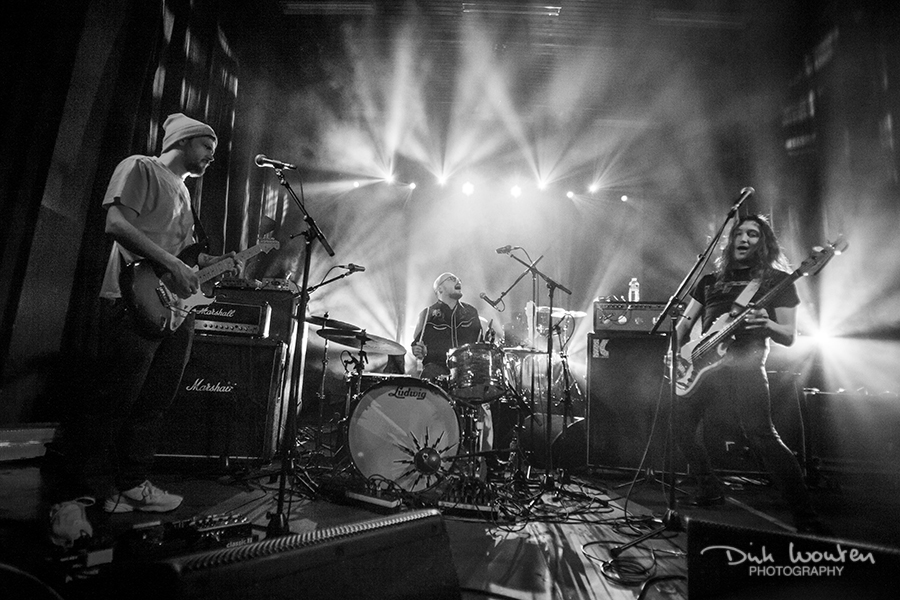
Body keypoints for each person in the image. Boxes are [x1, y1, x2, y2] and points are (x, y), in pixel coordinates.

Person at [45, 113, 241, 548]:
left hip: (173, 309)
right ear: (183, 141)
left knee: (154, 401)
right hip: (131, 298)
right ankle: (72, 498)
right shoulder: (140, 167)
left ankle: (132, 483)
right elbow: (116, 224)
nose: (212, 156)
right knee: (113, 399)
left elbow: (182, 254)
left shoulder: (185, 192)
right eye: (207, 146)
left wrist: (208, 262)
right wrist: (172, 264)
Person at [672, 214, 828, 535]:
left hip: (746, 362)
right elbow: (685, 324)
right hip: (702, 367)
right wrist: (673, 352)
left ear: (764, 242)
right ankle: (709, 488)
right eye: (739, 233)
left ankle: (806, 517)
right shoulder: (710, 280)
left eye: (753, 234)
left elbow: (789, 336)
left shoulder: (777, 281)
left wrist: (767, 324)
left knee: (762, 436)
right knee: (680, 425)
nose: (744, 239)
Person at [411, 272, 496, 473]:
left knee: (485, 405)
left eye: (458, 279)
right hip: (437, 369)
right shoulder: (428, 314)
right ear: (439, 288)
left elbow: (479, 343)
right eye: (451, 279)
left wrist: (488, 343)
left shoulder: (471, 312)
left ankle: (483, 462)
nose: (458, 281)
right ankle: (429, 455)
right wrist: (418, 350)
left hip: (466, 372)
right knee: (430, 395)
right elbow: (416, 345)